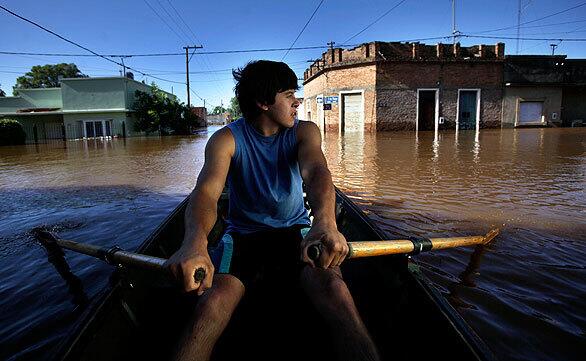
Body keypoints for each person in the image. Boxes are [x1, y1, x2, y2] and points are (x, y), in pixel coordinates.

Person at [165, 60, 380, 361]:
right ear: (264, 102)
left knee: (337, 291)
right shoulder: (226, 139)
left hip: (297, 234)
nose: (297, 101)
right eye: (290, 94)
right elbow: (206, 193)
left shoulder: (304, 132)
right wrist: (194, 243)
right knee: (211, 304)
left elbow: (317, 172)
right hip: (242, 238)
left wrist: (326, 222)